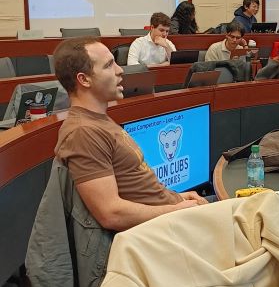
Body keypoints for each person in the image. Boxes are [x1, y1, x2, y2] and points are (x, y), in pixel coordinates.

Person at [53, 37, 205, 232]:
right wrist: (176, 210)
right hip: (162, 230)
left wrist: (178, 198)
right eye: (109, 65)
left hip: (171, 213)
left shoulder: (98, 119)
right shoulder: (83, 132)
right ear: (84, 79)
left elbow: (139, 188)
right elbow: (111, 213)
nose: (120, 69)